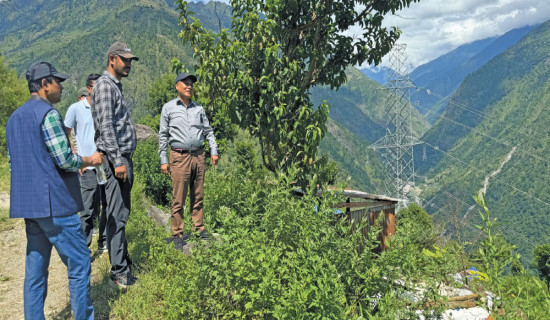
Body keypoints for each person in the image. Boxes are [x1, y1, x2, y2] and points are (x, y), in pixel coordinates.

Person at [6, 61, 103, 320]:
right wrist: (89, 160)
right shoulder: (48, 115)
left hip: (31, 207)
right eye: (57, 82)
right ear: (45, 84)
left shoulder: (14, 118)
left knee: (35, 273)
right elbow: (65, 160)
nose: (61, 87)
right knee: (80, 263)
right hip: (56, 205)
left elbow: (14, 164)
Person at [90, 41, 139, 288]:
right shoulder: (106, 86)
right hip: (116, 161)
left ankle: (123, 263)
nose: (128, 63)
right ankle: (120, 271)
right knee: (117, 215)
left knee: (120, 213)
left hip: (120, 159)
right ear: (112, 58)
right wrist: (118, 161)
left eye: (130, 60)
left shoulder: (113, 86)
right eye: (125, 59)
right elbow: (106, 127)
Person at [158, 72, 218, 250]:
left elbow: (208, 131)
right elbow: (163, 135)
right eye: (185, 83)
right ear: (177, 86)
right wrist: (163, 159)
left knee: (198, 195)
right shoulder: (168, 108)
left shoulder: (198, 108)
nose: (189, 86)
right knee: (179, 197)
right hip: (179, 156)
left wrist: (213, 150)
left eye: (191, 83)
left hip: (199, 155)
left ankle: (198, 228)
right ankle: (177, 233)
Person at [64, 74, 107, 252]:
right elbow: (65, 132)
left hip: (105, 164)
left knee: (107, 205)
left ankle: (103, 240)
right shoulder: (76, 108)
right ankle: (83, 246)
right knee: (87, 209)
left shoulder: (104, 108)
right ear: (88, 89)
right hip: (87, 166)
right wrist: (76, 156)